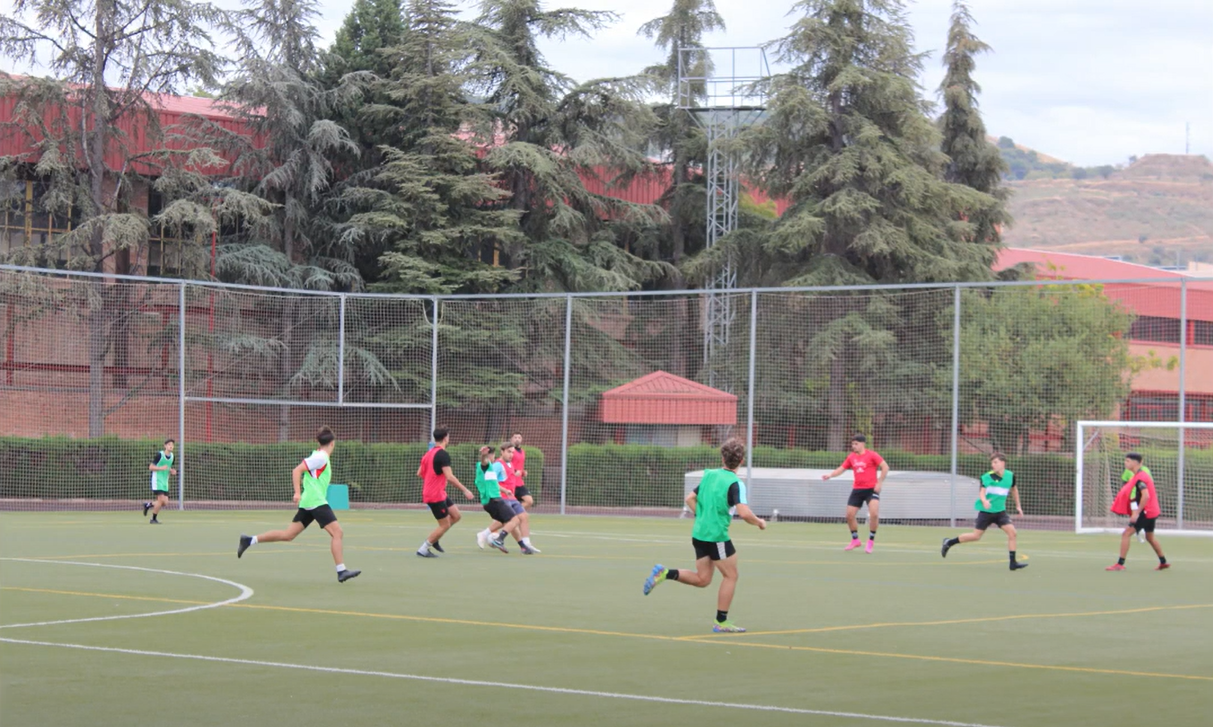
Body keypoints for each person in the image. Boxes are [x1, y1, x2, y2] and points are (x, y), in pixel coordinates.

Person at [643, 438, 766, 633]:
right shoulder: (735, 483)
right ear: (741, 460)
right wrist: (759, 522)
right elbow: (743, 513)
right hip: (715, 536)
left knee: (703, 579)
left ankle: (665, 573)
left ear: (722, 457)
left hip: (699, 533)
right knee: (731, 575)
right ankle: (721, 622)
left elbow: (690, 498)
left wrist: (702, 515)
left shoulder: (710, 475)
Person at [236, 427, 360, 583]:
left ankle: (249, 540)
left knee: (288, 535)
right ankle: (341, 571)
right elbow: (297, 470)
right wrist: (297, 493)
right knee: (337, 533)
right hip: (316, 502)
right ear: (332, 443)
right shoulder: (321, 457)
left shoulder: (319, 456)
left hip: (310, 502)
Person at [940, 453, 1028, 571]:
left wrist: (1018, 506)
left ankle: (1013, 563)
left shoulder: (1010, 476)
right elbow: (982, 492)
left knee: (1012, 533)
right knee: (976, 536)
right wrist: (984, 500)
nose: (993, 465)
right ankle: (949, 542)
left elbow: (1014, 489)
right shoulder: (987, 477)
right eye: (992, 463)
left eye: (995, 462)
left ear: (1003, 463)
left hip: (1000, 512)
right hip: (986, 512)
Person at [821, 434, 889, 553]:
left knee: (874, 514)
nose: (853, 446)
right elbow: (841, 469)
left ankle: (870, 541)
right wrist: (830, 475)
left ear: (863, 444)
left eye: (856, 444)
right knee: (849, 515)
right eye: (852, 444)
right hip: (857, 490)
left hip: (871, 490)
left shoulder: (872, 455)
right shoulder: (851, 457)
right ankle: (855, 540)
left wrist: (879, 482)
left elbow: (885, 467)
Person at [417, 427, 476, 558]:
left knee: (456, 516)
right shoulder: (443, 454)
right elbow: (449, 476)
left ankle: (436, 538)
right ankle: (423, 549)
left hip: (438, 492)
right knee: (444, 524)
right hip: (435, 495)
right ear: (446, 438)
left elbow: (419, 473)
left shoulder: (428, 454)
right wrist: (465, 490)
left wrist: (433, 480)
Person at [1107, 453, 1169, 572]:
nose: (1125, 463)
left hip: (1147, 512)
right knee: (1150, 537)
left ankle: (1120, 564)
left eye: (1128, 461)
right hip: (1152, 511)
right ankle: (1163, 562)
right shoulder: (1139, 475)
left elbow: (1145, 496)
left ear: (1136, 463)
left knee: (1126, 534)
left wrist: (1136, 513)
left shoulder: (1141, 478)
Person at [472, 445, 528, 554]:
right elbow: (484, 462)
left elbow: (493, 484)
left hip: (490, 500)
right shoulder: (485, 465)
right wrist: (484, 456)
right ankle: (499, 539)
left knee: (508, 522)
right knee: (515, 520)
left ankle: (521, 546)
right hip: (494, 499)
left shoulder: (490, 469)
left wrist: (505, 490)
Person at [493, 442, 539, 553]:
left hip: (511, 498)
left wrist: (521, 473)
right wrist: (504, 490)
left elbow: (512, 475)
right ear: (502, 451)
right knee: (513, 520)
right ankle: (498, 538)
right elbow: (491, 482)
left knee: (523, 517)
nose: (511, 455)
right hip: (502, 498)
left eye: (512, 452)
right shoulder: (497, 465)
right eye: (509, 452)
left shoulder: (510, 464)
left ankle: (526, 544)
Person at [142, 438, 176, 524]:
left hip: (165, 482)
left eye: (172, 445)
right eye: (169, 444)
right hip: (157, 481)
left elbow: (168, 467)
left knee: (165, 503)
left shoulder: (172, 457)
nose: (171, 446)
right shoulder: (160, 455)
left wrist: (172, 471)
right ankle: (153, 519)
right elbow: (151, 467)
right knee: (161, 500)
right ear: (165, 446)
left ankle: (148, 505)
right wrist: (160, 468)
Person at [509, 431, 534, 509]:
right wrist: (514, 471)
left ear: (521, 439)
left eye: (519, 438)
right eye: (515, 437)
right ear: (511, 439)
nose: (517, 439)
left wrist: (523, 472)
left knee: (529, 501)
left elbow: (519, 466)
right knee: (507, 504)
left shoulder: (522, 451)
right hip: (510, 483)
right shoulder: (509, 451)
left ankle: (515, 514)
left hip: (519, 483)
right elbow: (506, 465)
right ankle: (512, 516)